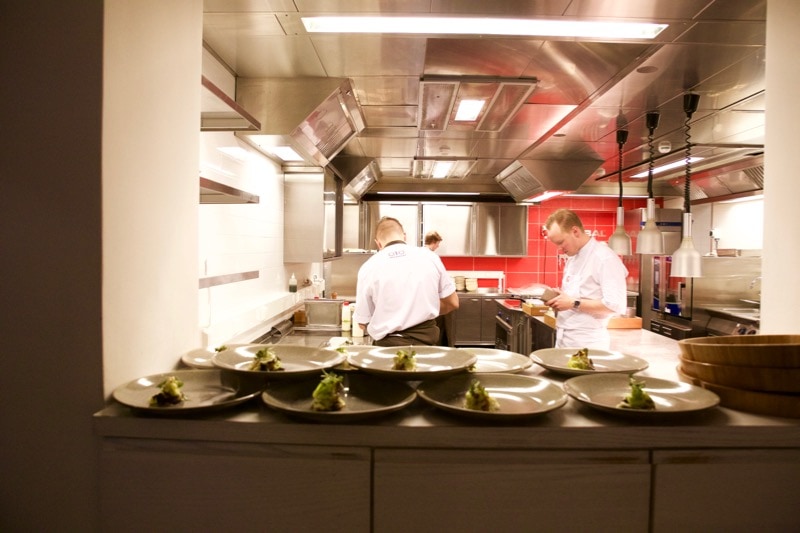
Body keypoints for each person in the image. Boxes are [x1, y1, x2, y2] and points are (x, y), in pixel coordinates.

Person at [353, 217, 459, 346]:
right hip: (427, 346)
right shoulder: (430, 257)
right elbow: (453, 303)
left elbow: (362, 322)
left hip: (386, 349)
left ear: (378, 243)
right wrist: (422, 308)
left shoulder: (368, 268)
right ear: (404, 236)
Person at [543, 209, 628, 350]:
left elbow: (615, 305)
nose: (559, 248)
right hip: (564, 338)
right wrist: (560, 300)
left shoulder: (604, 258)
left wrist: (572, 303)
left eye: (561, 242)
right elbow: (578, 297)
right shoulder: (573, 258)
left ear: (575, 231)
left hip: (588, 343)